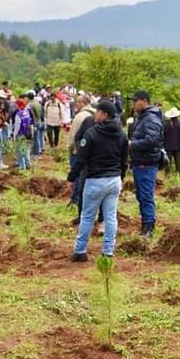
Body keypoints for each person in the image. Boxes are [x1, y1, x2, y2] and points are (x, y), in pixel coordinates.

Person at [68, 99, 128, 261]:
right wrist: (121, 178)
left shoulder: (92, 134)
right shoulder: (122, 135)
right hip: (114, 180)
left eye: (98, 112)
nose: (95, 114)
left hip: (95, 180)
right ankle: (108, 251)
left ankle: (80, 251)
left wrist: (71, 177)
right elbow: (124, 162)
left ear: (104, 114)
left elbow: (81, 159)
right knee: (110, 217)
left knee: (87, 216)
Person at [128, 90, 164, 237]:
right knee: (142, 196)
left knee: (146, 196)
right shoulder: (143, 117)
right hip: (140, 161)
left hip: (146, 162)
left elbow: (152, 140)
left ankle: (149, 227)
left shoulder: (150, 118)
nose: (133, 104)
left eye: (135, 101)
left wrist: (132, 144)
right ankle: (145, 225)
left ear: (144, 101)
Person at [67, 94, 96, 205]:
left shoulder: (80, 116)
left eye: (78, 102)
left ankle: (76, 199)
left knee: (77, 175)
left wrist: (71, 150)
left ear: (84, 103)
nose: (76, 104)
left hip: (78, 151)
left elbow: (73, 136)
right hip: (92, 153)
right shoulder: (96, 114)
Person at [163, 108, 180, 175]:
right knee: (178, 163)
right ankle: (178, 175)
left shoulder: (166, 124)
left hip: (168, 146)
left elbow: (163, 135)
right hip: (179, 146)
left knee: (168, 162)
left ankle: (167, 175)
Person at [13, 96, 33, 170]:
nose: (15, 106)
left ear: (19, 105)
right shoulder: (26, 112)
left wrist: (14, 136)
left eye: (16, 104)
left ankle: (22, 166)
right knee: (26, 150)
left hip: (21, 134)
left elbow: (17, 127)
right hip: (27, 134)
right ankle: (28, 164)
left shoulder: (18, 114)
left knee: (20, 151)